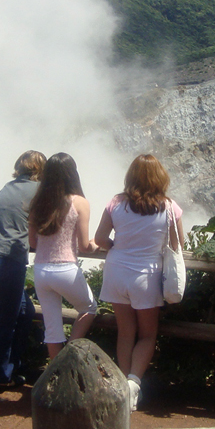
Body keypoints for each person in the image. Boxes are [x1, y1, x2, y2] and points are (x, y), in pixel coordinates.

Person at [94, 154, 185, 411]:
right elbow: (179, 245)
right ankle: (134, 382)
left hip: (116, 271)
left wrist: (117, 248)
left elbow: (100, 238)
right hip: (147, 275)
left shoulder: (116, 203)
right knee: (147, 335)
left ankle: (123, 388)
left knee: (125, 332)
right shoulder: (169, 207)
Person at [0, 150, 45, 388]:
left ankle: (13, 365)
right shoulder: (39, 191)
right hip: (8, 262)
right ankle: (0, 374)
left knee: (24, 313)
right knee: (8, 320)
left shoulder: (7, 187)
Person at [29, 153, 97, 360]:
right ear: (72, 174)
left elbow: (33, 243)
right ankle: (70, 354)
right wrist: (96, 245)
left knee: (52, 328)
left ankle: (54, 373)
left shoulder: (38, 202)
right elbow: (85, 246)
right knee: (89, 307)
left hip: (40, 270)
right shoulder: (79, 203)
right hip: (66, 269)